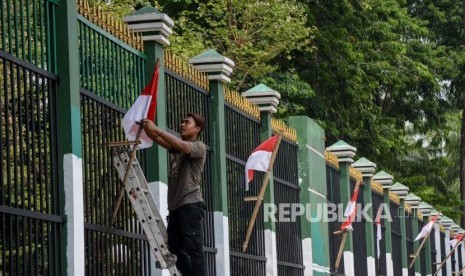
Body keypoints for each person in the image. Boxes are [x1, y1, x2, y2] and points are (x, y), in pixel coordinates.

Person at [140, 113, 206, 276]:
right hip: (176, 207)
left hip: (191, 204)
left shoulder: (199, 146)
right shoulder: (177, 148)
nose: (182, 124)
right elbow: (157, 138)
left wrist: (156, 129)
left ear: (197, 129)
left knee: (193, 248)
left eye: (187, 122)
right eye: (182, 121)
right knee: (175, 249)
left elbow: (182, 146)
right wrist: (147, 127)